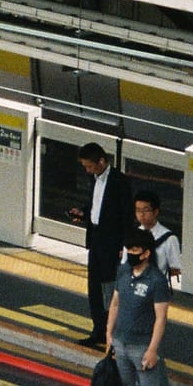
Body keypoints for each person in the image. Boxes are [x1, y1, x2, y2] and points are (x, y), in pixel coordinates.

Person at [103, 227, 173, 386]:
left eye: (134, 250)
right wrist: (109, 333)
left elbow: (161, 318)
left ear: (146, 253)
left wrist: (153, 349)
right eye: (128, 249)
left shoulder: (156, 281)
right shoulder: (124, 272)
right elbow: (115, 303)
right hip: (121, 342)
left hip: (142, 345)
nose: (129, 254)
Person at [69, 144, 133, 347]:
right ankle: (98, 331)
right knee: (94, 289)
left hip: (112, 243)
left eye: (90, 166)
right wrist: (83, 213)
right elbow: (95, 206)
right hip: (95, 238)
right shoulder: (94, 179)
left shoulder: (120, 182)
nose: (88, 171)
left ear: (102, 161)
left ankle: (112, 334)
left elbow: (126, 215)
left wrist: (124, 245)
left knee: (110, 291)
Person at [130, 190, 182, 288]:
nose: (141, 214)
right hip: (134, 287)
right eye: (138, 210)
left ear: (155, 212)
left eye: (146, 210)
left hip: (157, 289)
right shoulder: (132, 235)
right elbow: (125, 264)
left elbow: (175, 269)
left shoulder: (170, 239)